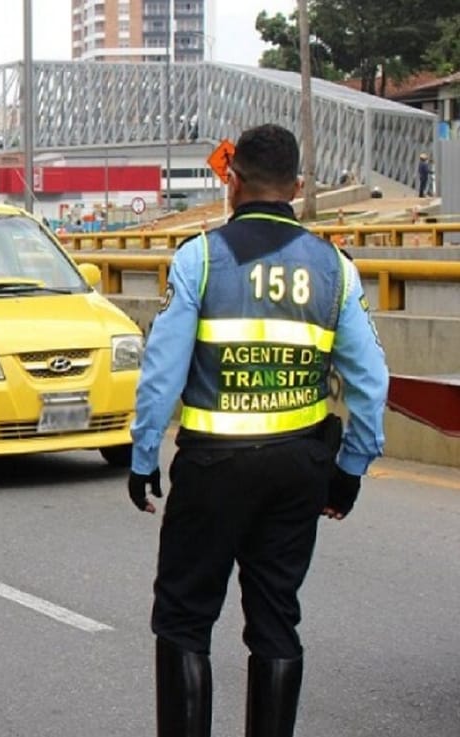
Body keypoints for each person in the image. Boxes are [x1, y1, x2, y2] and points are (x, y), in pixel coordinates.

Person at [127, 124, 389, 737]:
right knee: (276, 622)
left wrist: (142, 456)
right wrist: (348, 472)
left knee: (185, 620)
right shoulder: (335, 269)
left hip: (214, 468)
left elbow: (161, 375)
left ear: (233, 182)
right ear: (297, 188)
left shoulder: (200, 257)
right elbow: (372, 385)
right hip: (299, 470)